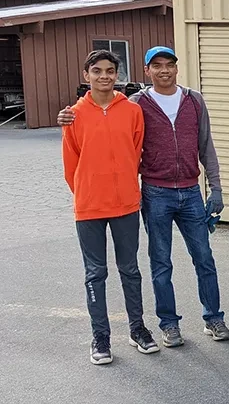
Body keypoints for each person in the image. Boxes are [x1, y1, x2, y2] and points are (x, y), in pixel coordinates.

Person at [58, 46, 229, 347]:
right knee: (158, 262)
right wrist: (90, 190)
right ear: (146, 70)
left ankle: (212, 317)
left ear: (177, 68)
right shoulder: (133, 104)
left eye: (169, 65)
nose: (164, 70)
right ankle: (166, 324)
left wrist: (215, 187)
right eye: (157, 65)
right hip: (153, 193)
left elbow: (204, 146)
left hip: (187, 191)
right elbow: (87, 160)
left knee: (204, 258)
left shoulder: (189, 101)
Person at [63, 50, 158, 365]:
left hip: (126, 204)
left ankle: (137, 329)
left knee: (130, 269)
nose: (104, 76)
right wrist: (88, 193)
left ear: (117, 75)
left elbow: (136, 150)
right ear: (86, 74)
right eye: (97, 71)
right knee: (95, 274)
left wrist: (124, 187)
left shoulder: (131, 111)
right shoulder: (74, 115)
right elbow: (71, 163)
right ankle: (100, 338)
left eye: (110, 71)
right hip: (89, 207)